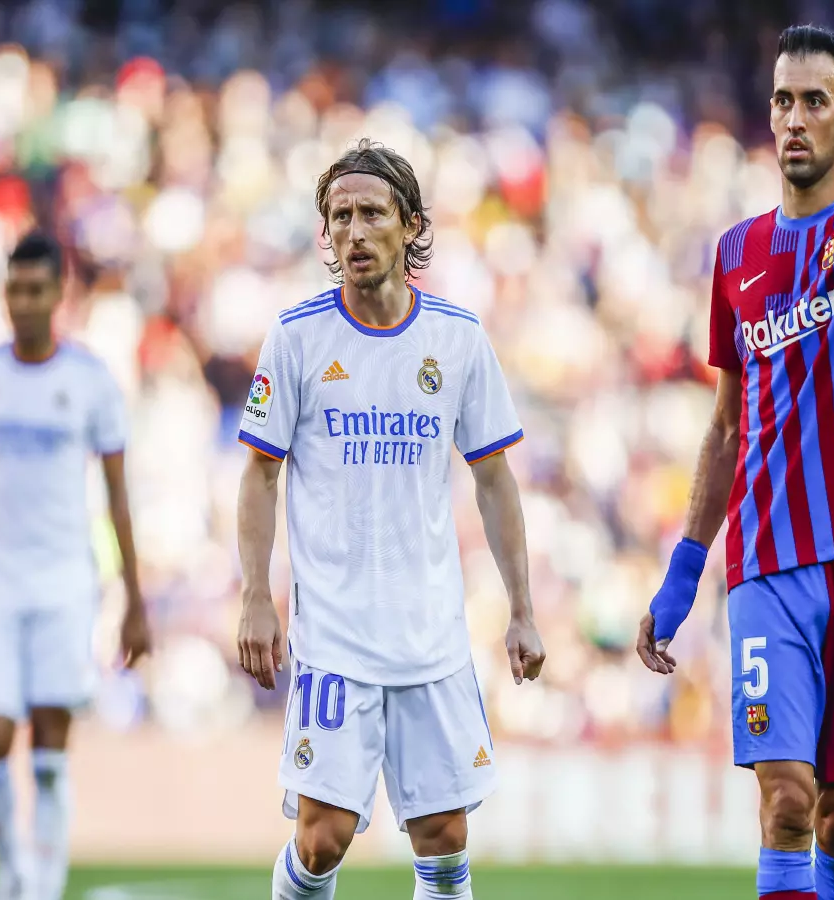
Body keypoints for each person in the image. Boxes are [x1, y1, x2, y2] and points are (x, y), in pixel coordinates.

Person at [636, 25, 834, 900]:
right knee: (788, 801)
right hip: (767, 564)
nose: (794, 117)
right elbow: (726, 427)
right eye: (781, 100)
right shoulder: (734, 257)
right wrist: (684, 572)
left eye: (813, 101)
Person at [236, 138, 546, 900]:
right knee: (322, 838)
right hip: (335, 637)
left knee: (443, 839)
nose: (352, 231)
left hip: (431, 634)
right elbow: (259, 473)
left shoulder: (457, 338)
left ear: (410, 225)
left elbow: (496, 480)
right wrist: (254, 594)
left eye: (370, 212)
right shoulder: (298, 336)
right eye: (337, 216)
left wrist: (523, 610)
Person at [0, 231, 152, 900]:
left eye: (36, 289)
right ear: (5, 293)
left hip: (65, 584)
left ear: (58, 293)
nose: (24, 302)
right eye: (14, 289)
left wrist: (134, 602)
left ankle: (42, 885)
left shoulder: (89, 380)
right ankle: (13, 867)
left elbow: (118, 495)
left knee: (51, 750)